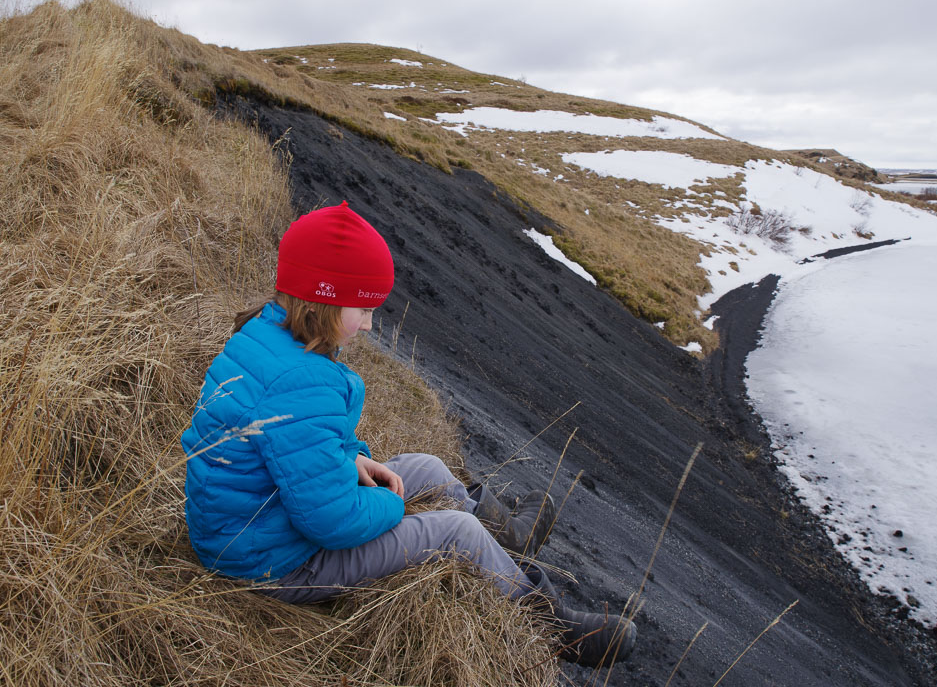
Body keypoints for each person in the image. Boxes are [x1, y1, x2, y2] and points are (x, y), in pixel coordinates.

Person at [181, 201, 637, 667]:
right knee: (453, 531)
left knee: (424, 466)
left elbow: (292, 446)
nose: (370, 323)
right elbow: (330, 520)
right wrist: (392, 504)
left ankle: (506, 538)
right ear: (325, 300)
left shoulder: (264, 339)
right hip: (272, 563)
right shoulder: (300, 380)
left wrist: (353, 458)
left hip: (252, 527)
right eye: (363, 307)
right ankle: (550, 627)